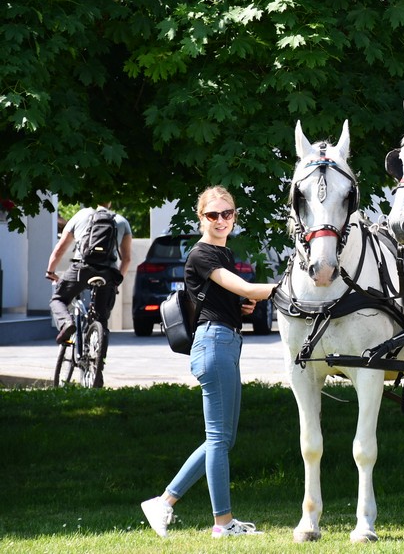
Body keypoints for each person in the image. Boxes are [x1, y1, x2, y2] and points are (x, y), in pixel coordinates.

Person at [141, 186, 277, 539]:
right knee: (218, 438)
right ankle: (222, 523)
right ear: (200, 217)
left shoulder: (224, 253)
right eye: (212, 215)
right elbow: (242, 288)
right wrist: (287, 286)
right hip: (214, 344)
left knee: (223, 439)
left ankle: (164, 502)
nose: (220, 220)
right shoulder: (201, 254)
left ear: (234, 215)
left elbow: (232, 297)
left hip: (227, 342)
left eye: (227, 213)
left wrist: (243, 307)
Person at [46, 202, 133, 343]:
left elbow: (60, 249)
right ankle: (99, 359)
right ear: (110, 202)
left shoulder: (80, 215)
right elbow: (127, 259)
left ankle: (67, 324)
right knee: (101, 318)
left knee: (58, 299)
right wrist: (116, 282)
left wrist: (50, 271)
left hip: (82, 268)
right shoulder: (122, 221)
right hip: (108, 272)